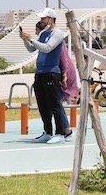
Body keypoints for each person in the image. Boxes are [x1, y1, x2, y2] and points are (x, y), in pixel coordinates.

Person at [20, 8, 72, 144]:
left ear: (51, 19)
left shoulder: (57, 33)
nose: (41, 20)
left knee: (55, 104)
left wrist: (31, 38)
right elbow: (32, 48)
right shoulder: (44, 33)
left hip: (51, 73)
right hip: (40, 73)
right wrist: (25, 40)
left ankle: (60, 133)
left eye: (44, 18)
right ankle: (48, 132)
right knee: (43, 104)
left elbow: (47, 48)